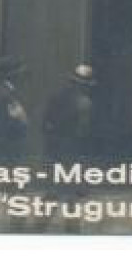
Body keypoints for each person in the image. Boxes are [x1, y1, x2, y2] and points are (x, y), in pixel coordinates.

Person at [40, 64, 97, 233]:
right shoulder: (84, 103)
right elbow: (83, 132)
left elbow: (45, 125)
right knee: (72, 194)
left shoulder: (55, 98)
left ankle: (40, 225)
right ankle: (71, 228)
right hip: (73, 154)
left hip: (55, 152)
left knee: (53, 191)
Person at [42, 64, 97, 163]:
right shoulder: (58, 100)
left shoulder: (88, 102)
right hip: (61, 150)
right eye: (82, 85)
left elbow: (86, 128)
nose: (84, 89)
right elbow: (46, 125)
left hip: (77, 150)